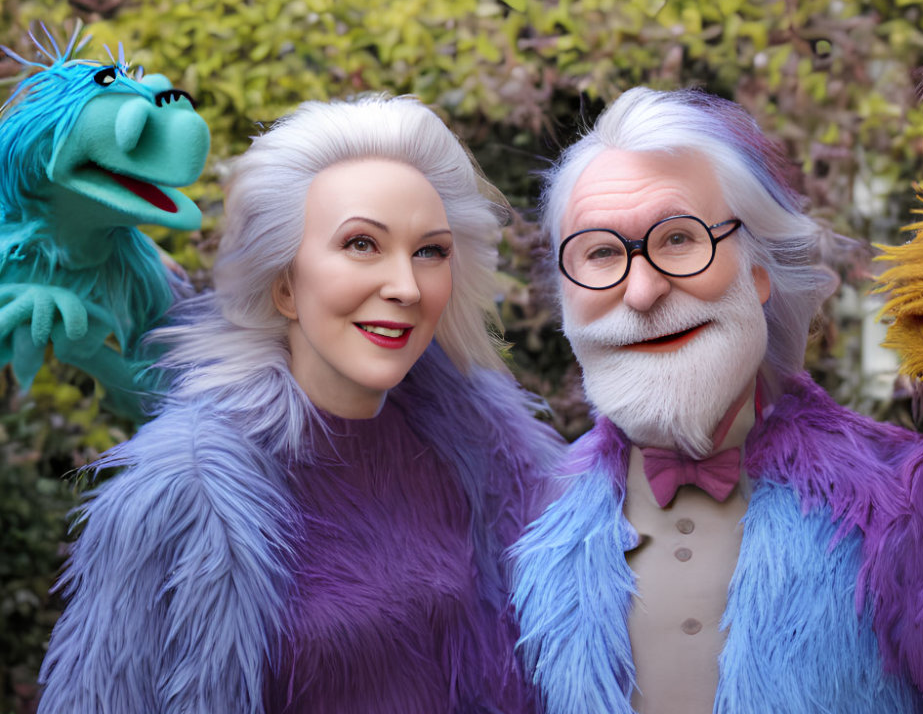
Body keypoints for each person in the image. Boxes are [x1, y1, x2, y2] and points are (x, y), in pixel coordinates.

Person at [36, 94, 563, 714]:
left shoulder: (487, 455)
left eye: (431, 251)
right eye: (363, 244)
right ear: (285, 285)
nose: (405, 286)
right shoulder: (184, 493)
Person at [509, 87, 923, 713]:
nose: (643, 290)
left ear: (757, 271)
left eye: (679, 239)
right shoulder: (525, 523)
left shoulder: (911, 503)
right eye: (600, 253)